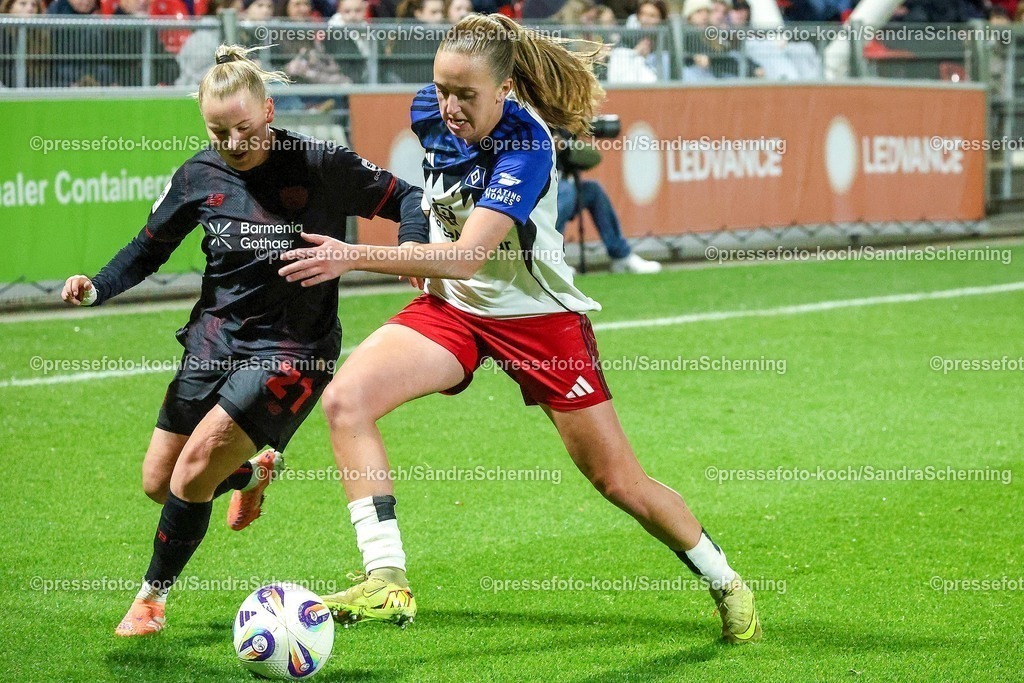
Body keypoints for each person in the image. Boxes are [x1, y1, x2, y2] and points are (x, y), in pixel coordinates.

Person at [279, 13, 762, 644]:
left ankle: (724, 580)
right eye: (442, 89)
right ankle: (386, 579)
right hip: (457, 310)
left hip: (538, 321)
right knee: (347, 400)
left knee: (617, 480)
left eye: (466, 96)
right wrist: (417, 240)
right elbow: (428, 197)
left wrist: (353, 253)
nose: (449, 107)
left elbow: (468, 255)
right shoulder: (431, 109)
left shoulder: (528, 145)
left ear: (505, 89)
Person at [60, 44, 429, 637]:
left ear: (271, 111)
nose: (233, 141)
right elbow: (147, 249)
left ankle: (150, 598)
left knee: (195, 467)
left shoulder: (319, 162)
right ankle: (255, 474)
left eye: (244, 127)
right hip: (214, 341)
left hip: (295, 348)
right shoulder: (198, 175)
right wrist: (96, 287)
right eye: (218, 130)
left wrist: (410, 248)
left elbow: (407, 196)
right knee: (161, 481)